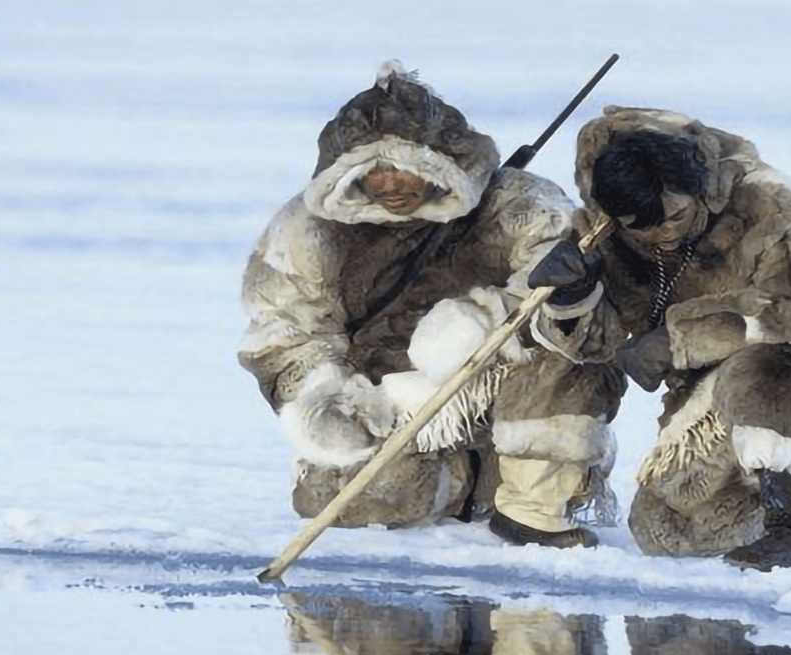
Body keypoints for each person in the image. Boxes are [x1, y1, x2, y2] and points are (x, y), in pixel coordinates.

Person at [237, 61, 625, 547]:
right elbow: (285, 331)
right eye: (373, 171)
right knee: (363, 504)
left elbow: (590, 330)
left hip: (494, 382)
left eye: (406, 169)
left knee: (563, 361)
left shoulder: (521, 206)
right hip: (383, 404)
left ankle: (532, 508)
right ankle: (463, 480)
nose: (390, 185)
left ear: (441, 163)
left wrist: (560, 299)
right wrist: (333, 405)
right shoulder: (308, 227)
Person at [532, 106, 791, 570]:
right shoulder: (600, 231)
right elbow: (598, 346)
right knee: (669, 530)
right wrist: (571, 297)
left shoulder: (771, 203)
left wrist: (676, 342)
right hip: (721, 347)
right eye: (644, 226)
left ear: (697, 190)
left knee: (778, 368)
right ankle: (784, 497)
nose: (664, 232)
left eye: (675, 215)